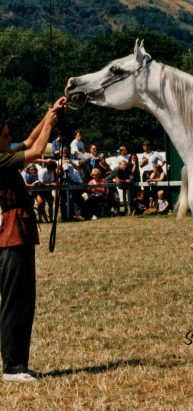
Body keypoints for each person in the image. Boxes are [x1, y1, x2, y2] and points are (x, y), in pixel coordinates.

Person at [0, 96, 65, 382]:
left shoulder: (5, 154)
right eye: (5, 135)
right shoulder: (0, 159)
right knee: (16, 301)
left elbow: (28, 141)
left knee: (22, 299)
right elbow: (38, 149)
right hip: (11, 236)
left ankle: (18, 364)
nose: (10, 137)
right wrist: (51, 124)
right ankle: (13, 367)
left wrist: (49, 113)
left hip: (17, 234)